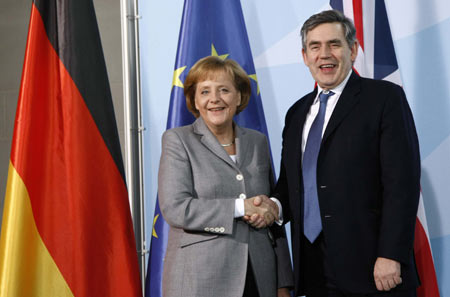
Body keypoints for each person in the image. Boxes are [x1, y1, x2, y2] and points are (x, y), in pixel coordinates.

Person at [272, 9, 421, 297]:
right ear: (305, 56)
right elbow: (292, 186)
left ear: (352, 50)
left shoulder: (384, 99)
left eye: (334, 44)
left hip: (374, 269)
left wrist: (391, 254)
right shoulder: (296, 113)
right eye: (315, 46)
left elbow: (401, 184)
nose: (324, 54)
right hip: (314, 270)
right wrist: (272, 207)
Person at [158, 55, 294, 297]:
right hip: (201, 278)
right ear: (195, 101)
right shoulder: (178, 140)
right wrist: (241, 207)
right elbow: (176, 208)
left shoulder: (257, 141)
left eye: (224, 90)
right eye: (205, 92)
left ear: (239, 97)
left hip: (259, 275)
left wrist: (284, 280)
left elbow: (271, 210)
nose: (215, 99)